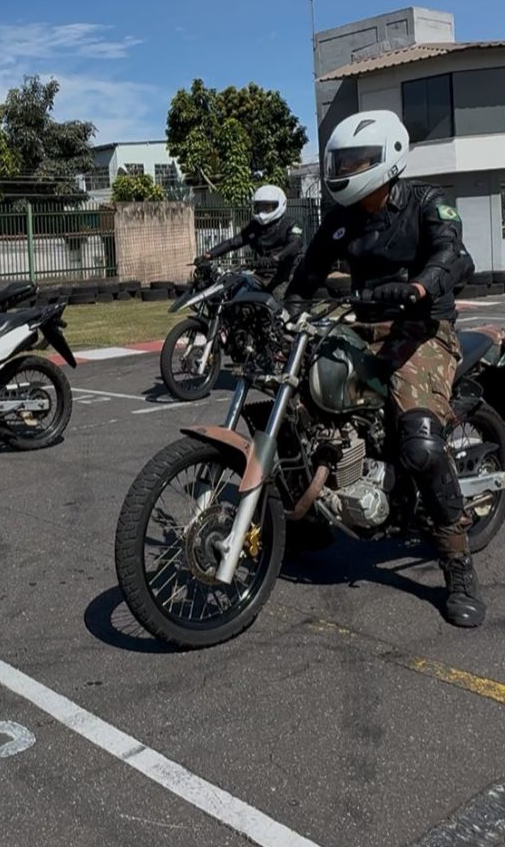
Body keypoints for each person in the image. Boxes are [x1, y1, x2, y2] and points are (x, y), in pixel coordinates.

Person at [286, 109, 481, 627]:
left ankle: (457, 563)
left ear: (388, 158)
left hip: (422, 331)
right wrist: (281, 309)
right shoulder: (341, 218)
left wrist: (421, 286)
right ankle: (309, 518)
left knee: (418, 442)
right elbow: (306, 275)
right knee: (299, 406)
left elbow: (452, 255)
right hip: (362, 328)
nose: (346, 168)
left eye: (357, 160)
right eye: (341, 160)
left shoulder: (426, 204)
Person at [200, 185, 304, 299]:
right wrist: (209, 254)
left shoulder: (290, 224)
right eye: (260, 207)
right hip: (259, 275)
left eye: (267, 207)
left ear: (279, 205)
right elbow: (233, 242)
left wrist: (276, 257)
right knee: (236, 293)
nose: (262, 211)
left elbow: (295, 243)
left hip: (284, 276)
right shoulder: (254, 227)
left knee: (276, 303)